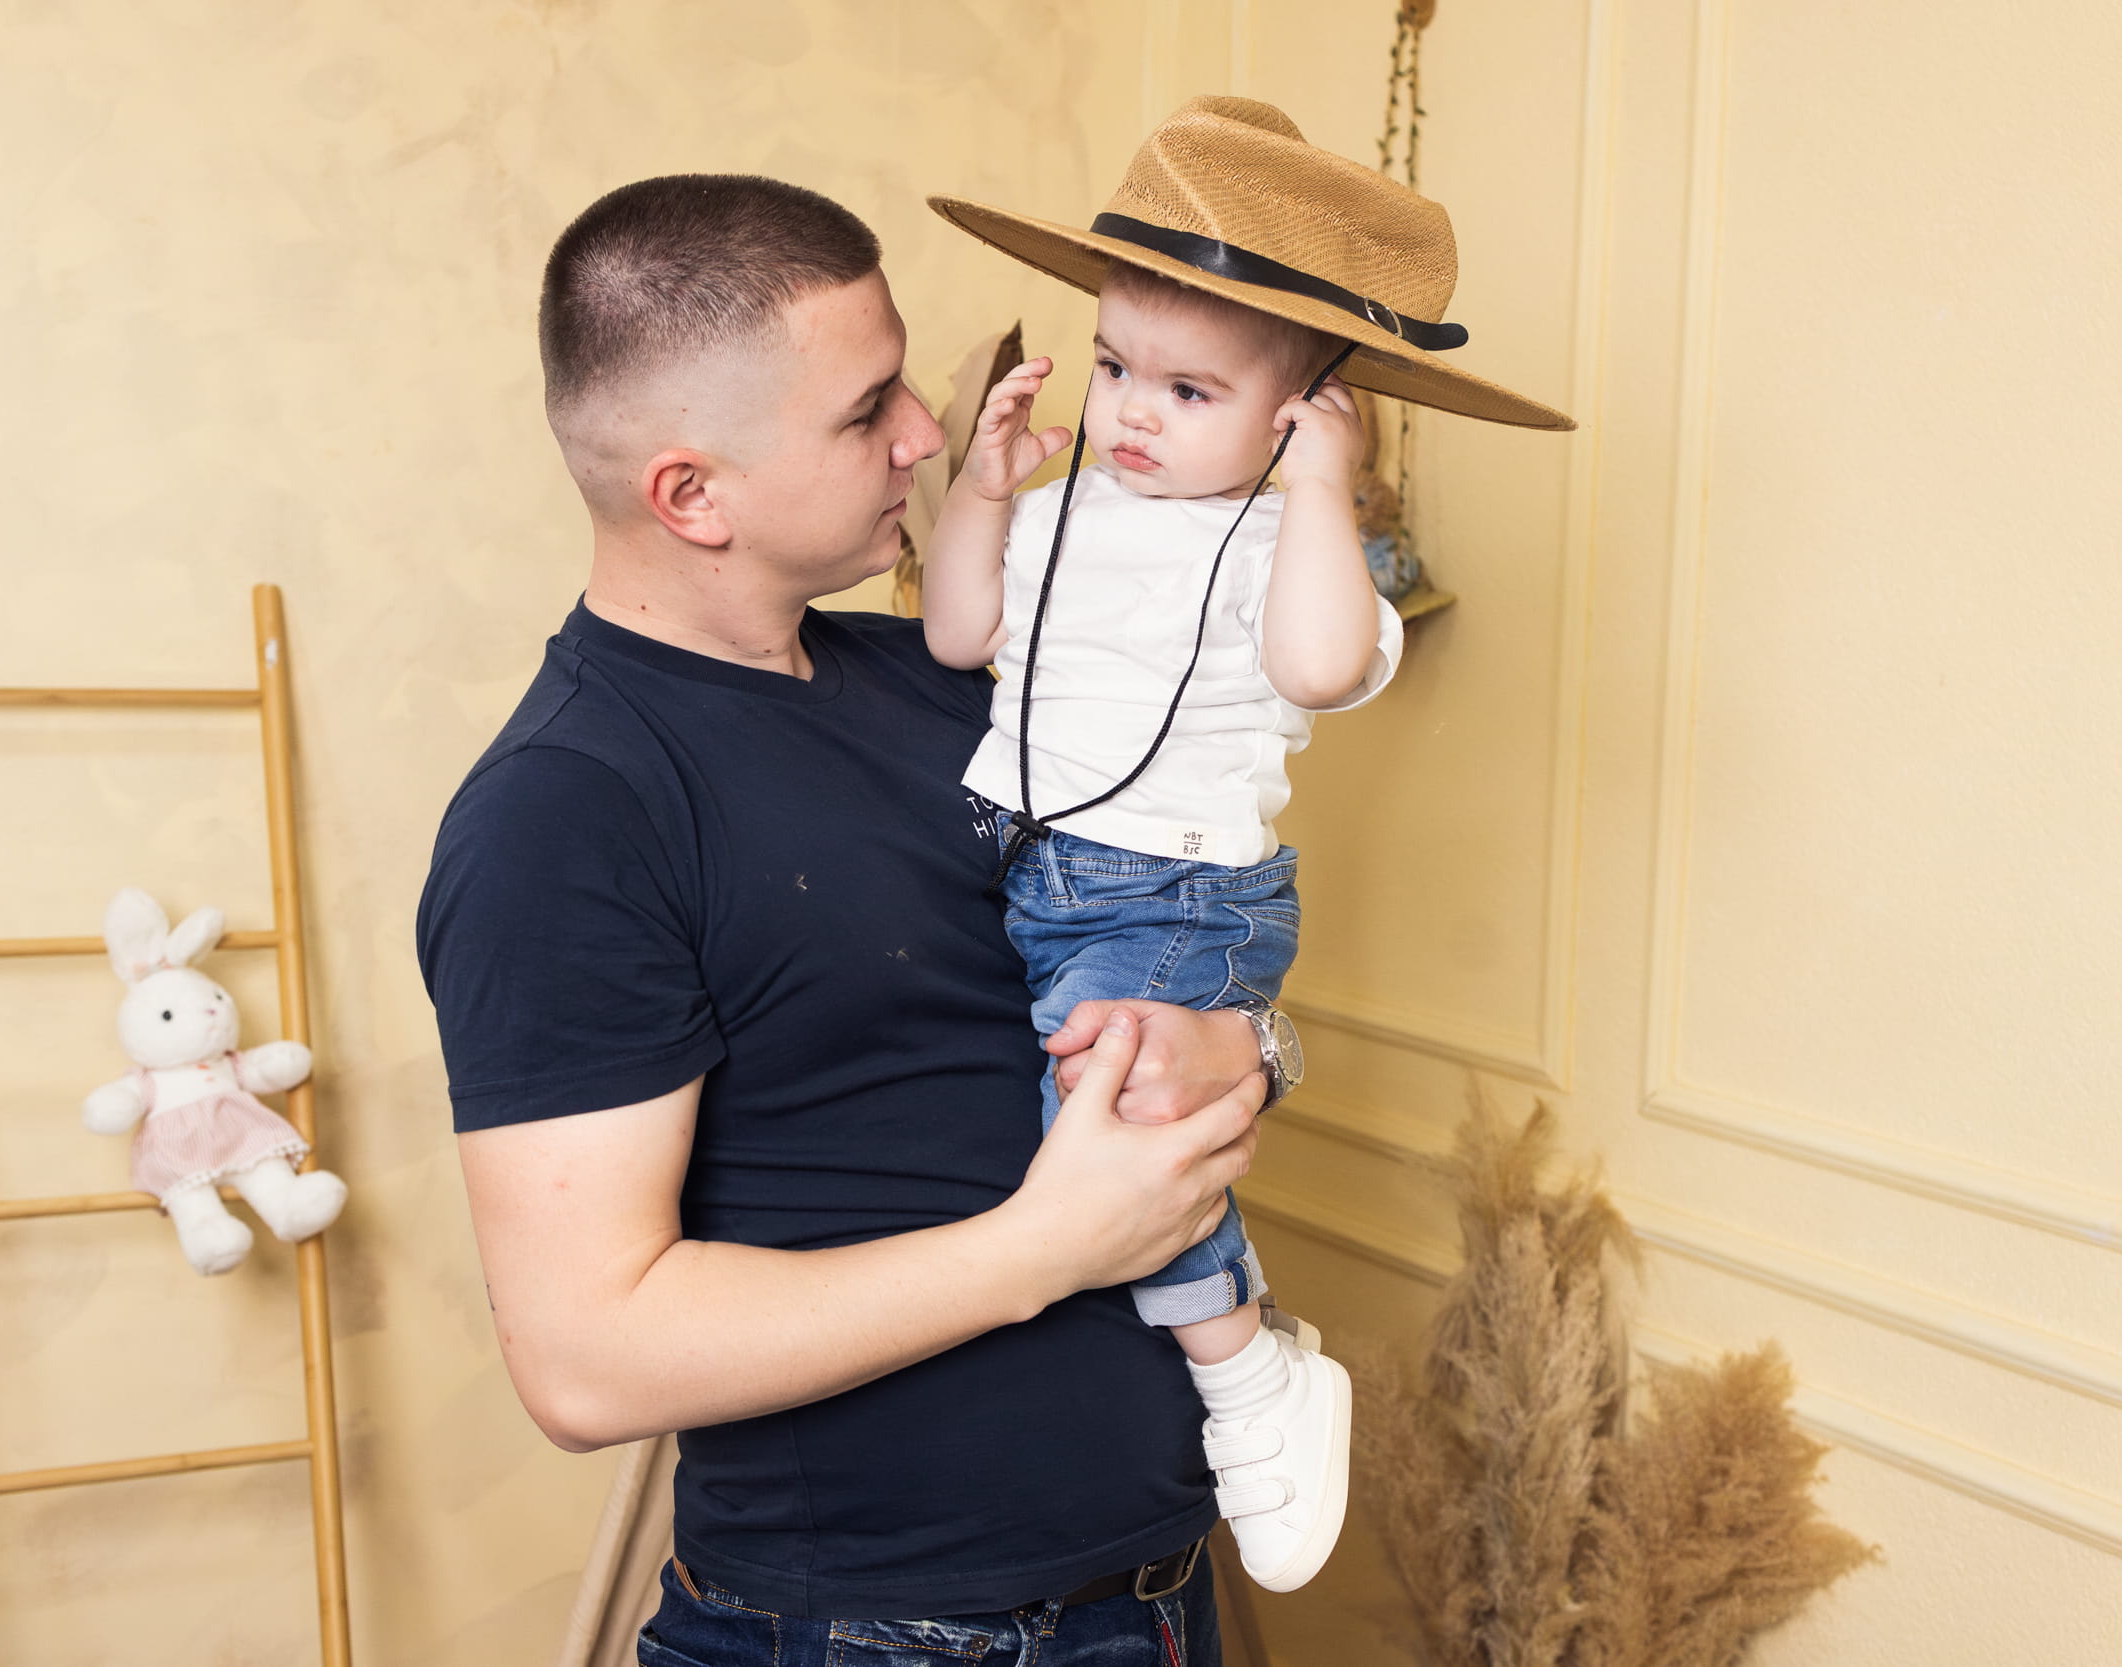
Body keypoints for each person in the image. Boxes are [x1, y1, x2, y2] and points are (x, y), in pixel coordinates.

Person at [417, 170, 1288, 1666]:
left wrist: (1251, 1046)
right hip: (870, 1637)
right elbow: (585, 1360)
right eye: (866, 408)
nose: (924, 435)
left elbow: (1164, 948)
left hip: (1148, 1599)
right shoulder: (566, 813)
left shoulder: (946, 686)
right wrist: (1045, 1247)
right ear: (691, 494)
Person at [919, 94, 1576, 1593]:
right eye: (1114, 367)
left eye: (1190, 390)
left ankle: (1248, 1369)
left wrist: (1322, 491)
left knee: (1122, 1123)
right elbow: (960, 632)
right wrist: (983, 492)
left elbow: (1322, 666)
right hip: (1020, 867)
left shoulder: (1292, 547)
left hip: (1174, 893)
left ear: (1298, 412)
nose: (1134, 413)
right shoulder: (1064, 510)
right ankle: (1191, 1358)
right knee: (1059, 1123)